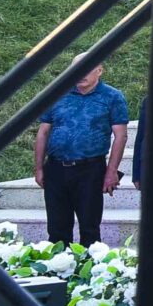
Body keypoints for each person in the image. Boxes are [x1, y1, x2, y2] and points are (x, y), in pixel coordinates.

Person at [33, 61, 129, 247]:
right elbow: (43, 132)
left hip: (90, 169)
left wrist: (111, 171)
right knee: (56, 228)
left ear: (99, 71)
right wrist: (38, 168)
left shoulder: (112, 97)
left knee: (90, 228)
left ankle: (89, 271)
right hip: (56, 167)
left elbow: (121, 136)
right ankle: (58, 270)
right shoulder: (57, 94)